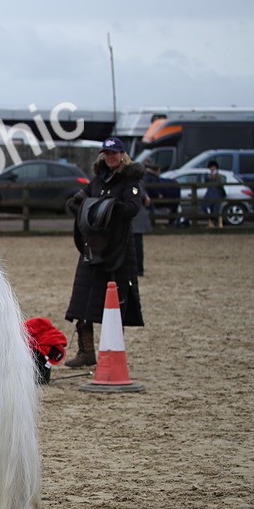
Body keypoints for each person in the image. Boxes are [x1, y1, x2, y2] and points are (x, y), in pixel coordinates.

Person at [63, 137, 145, 367]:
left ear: (122, 154)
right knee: (82, 300)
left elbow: (132, 208)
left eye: (114, 153)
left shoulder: (130, 180)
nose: (110, 157)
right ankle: (86, 351)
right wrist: (80, 204)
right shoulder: (99, 179)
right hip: (93, 248)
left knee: (117, 304)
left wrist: (107, 207)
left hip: (118, 249)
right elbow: (81, 199)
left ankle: (114, 349)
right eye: (107, 153)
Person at [203, 159, 225, 227]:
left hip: (217, 195)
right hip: (210, 195)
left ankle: (216, 223)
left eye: (213, 167)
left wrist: (214, 177)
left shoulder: (219, 176)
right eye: (211, 167)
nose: (212, 168)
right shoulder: (208, 175)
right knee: (205, 207)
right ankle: (212, 222)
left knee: (215, 211)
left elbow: (220, 184)